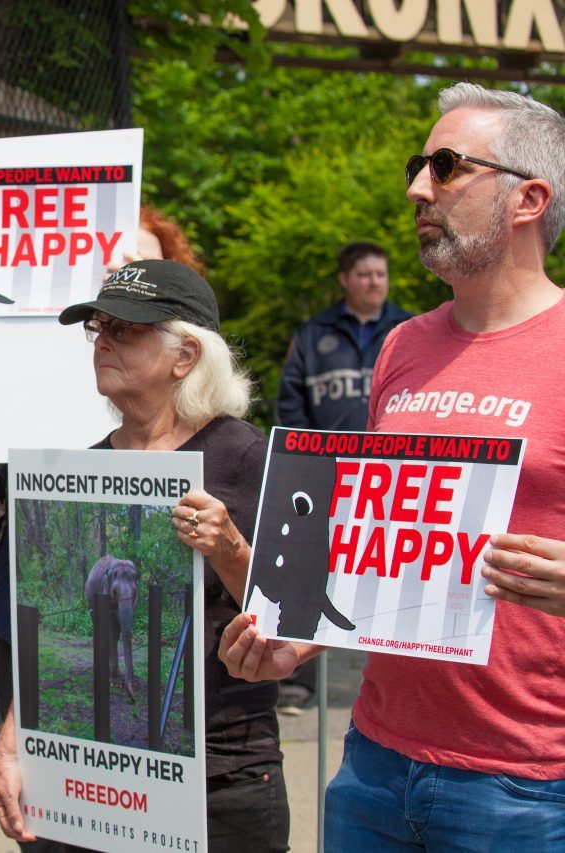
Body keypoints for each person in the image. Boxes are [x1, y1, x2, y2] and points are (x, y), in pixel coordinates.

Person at [220, 82, 565, 851]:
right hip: (374, 765)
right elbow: (381, 549)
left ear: (529, 199)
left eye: (446, 167)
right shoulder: (402, 347)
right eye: (419, 166)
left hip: (528, 786)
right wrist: (298, 638)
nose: (417, 189)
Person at [0, 206, 206, 799]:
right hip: (22, 599)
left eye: (139, 266)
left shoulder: (203, 419)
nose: (120, 283)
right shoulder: (32, 362)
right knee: (45, 802)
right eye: (110, 271)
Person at [0, 259, 289, 852]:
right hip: (90, 783)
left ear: (186, 355)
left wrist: (229, 547)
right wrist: (14, 742)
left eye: (125, 330)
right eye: (98, 328)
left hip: (219, 778)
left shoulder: (246, 457)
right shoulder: (86, 467)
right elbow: (41, 644)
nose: (103, 342)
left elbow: (295, 620)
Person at [273, 241, 411, 713]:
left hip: (394, 476)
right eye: (365, 274)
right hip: (326, 473)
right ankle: (298, 682)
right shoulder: (313, 335)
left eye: (381, 274)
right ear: (345, 279)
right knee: (310, 572)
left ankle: (403, 682)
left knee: (398, 571)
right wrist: (309, 460)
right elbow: (291, 403)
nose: (375, 282)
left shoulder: (409, 330)